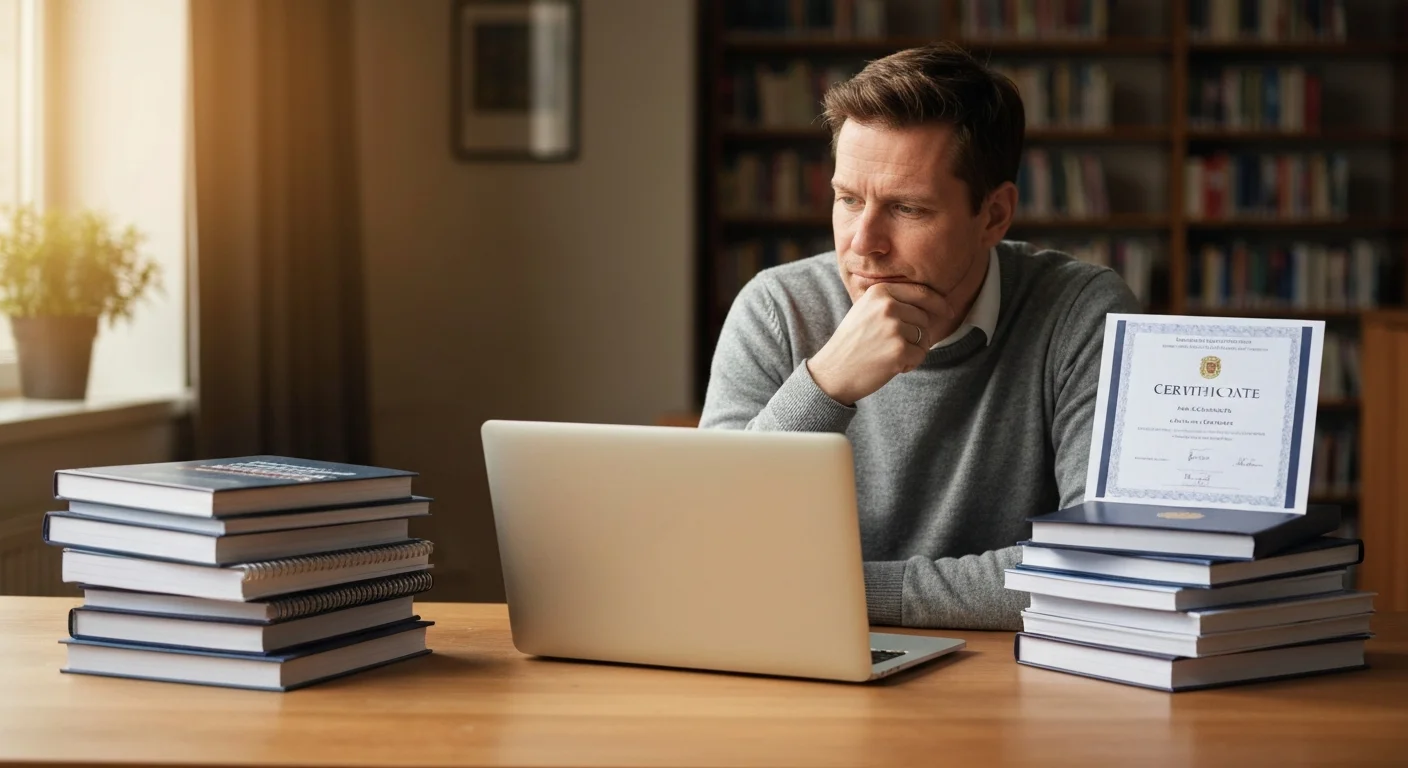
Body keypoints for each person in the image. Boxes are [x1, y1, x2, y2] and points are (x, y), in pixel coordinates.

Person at [699, 42, 1141, 630]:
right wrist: (826, 385)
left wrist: (845, 594)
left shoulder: (1078, 312)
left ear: (994, 216)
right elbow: (706, 544)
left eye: (907, 209)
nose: (863, 243)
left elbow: (1103, 563)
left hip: (1010, 687)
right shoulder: (777, 309)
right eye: (848, 199)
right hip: (805, 672)